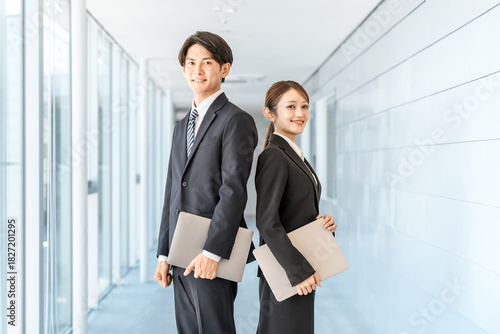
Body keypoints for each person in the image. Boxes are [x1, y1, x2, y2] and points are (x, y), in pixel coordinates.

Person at [154, 31, 258, 334]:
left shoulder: (235, 120)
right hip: (180, 251)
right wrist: (164, 254)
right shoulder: (180, 127)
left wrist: (213, 252)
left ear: (224, 69)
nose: (197, 71)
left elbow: (234, 191)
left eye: (207, 62)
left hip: (212, 251)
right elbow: (172, 191)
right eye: (190, 63)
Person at [255, 80, 337, 334]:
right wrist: (297, 271)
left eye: (304, 106)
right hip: (288, 269)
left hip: (301, 264)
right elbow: (267, 221)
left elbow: (294, 212)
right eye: (291, 106)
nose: (300, 113)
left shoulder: (293, 154)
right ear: (270, 113)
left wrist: (323, 225)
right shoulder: (274, 155)